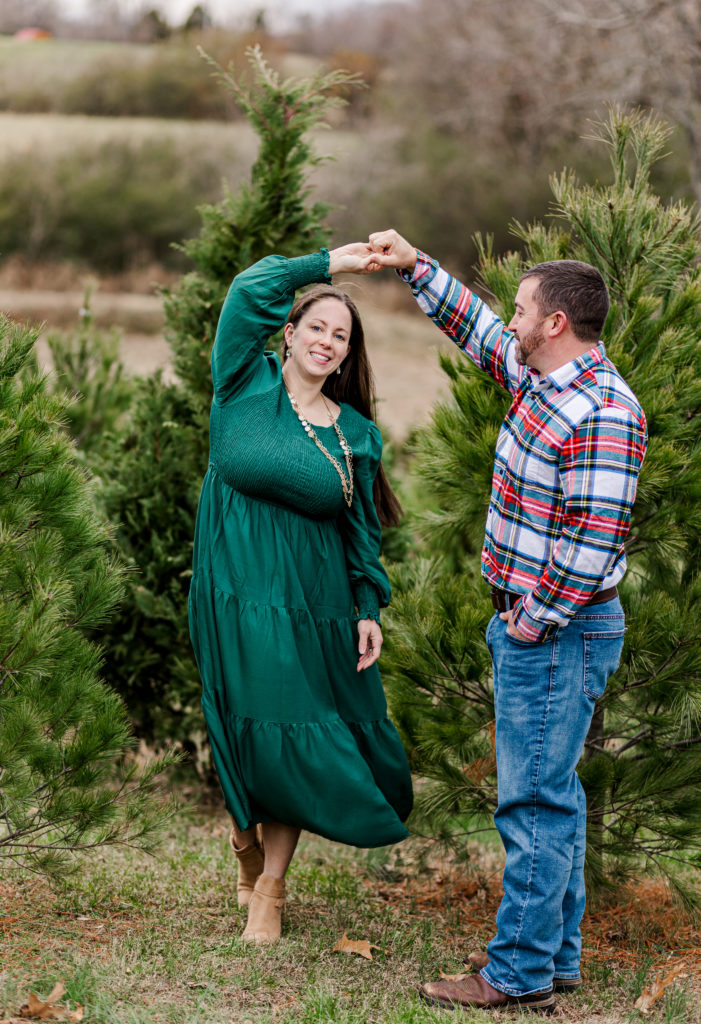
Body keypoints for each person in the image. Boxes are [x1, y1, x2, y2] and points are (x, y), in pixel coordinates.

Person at [365, 229, 647, 1013]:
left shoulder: (601, 410)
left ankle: (516, 974)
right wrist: (416, 266)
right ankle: (554, 960)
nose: (510, 317)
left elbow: (593, 542)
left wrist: (531, 622)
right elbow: (479, 334)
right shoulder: (540, 380)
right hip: (539, 627)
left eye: (521, 307)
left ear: (554, 323)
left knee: (531, 803)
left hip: (556, 632)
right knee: (554, 797)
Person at [188, 243, 413, 946]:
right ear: (288, 334)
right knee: (239, 723)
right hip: (230, 589)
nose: (326, 341)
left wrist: (366, 608)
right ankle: (244, 842)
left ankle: (271, 890)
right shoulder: (241, 384)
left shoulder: (354, 436)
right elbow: (246, 290)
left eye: (340, 336)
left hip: (309, 602)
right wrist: (328, 261)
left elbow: (359, 534)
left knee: (294, 729)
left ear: (347, 357)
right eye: (316, 327)